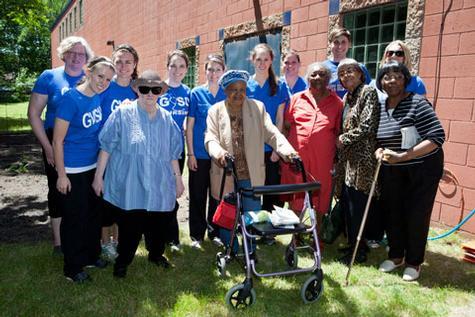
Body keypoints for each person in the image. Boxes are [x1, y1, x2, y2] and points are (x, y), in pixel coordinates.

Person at [92, 70, 184, 278]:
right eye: (144, 89)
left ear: (161, 92)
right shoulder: (123, 114)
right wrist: (99, 177)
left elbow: (172, 154)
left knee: (159, 223)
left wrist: (178, 180)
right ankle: (123, 261)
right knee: (130, 227)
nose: (150, 94)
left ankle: (156, 255)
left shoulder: (167, 119)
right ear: (137, 90)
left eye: (155, 89)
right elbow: (106, 147)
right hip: (131, 182)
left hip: (159, 182)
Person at [205, 70, 297, 256]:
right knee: (227, 214)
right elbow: (210, 138)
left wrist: (288, 151)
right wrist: (220, 154)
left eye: (242, 89)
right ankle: (231, 248)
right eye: (233, 89)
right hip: (226, 172)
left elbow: (272, 133)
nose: (238, 94)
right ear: (225, 91)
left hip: (251, 172)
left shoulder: (257, 107)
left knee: (252, 214)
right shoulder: (215, 111)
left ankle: (250, 250)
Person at [375, 61, 445, 281]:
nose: (392, 80)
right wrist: (378, 151)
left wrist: (403, 156)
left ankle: (414, 262)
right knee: (393, 211)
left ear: (406, 80)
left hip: (421, 170)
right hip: (392, 169)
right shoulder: (382, 106)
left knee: (416, 215)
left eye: (398, 75)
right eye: (387, 77)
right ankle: (396, 256)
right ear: (381, 82)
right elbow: (379, 139)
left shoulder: (417, 103)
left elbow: (437, 137)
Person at [28, 36, 94, 256]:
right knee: (58, 191)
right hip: (54, 141)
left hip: (84, 144)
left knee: (83, 193)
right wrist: (47, 147)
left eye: (81, 54)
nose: (76, 58)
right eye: (72, 53)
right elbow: (34, 114)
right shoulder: (50, 77)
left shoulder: (91, 78)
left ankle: (82, 236)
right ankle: (58, 242)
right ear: (64, 54)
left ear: (87, 58)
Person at [53, 56, 116, 282]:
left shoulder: (97, 97)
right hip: (72, 169)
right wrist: (61, 175)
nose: (103, 82)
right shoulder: (71, 99)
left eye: (108, 79)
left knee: (92, 215)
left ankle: (91, 255)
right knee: (75, 219)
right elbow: (57, 140)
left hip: (93, 166)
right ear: (88, 72)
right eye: (100, 76)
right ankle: (72, 267)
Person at [366, 40, 428, 248]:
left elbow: (423, 120)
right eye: (389, 52)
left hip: (408, 150)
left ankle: (409, 245)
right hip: (384, 148)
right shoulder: (378, 82)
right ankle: (384, 236)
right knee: (385, 196)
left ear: (405, 57)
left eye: (399, 53)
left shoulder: (416, 83)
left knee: (407, 201)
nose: (394, 55)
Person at [281, 62, 343, 225]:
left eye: (322, 74)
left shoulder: (337, 103)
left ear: (329, 79)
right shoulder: (296, 99)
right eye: (313, 74)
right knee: (296, 195)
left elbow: (338, 133)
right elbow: (287, 127)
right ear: (307, 78)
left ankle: (317, 235)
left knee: (321, 197)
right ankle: (294, 234)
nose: (317, 78)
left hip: (323, 160)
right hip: (297, 158)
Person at [334, 58, 380, 265]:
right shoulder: (347, 98)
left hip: (362, 160)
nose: (346, 76)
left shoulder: (367, 92)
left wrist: (344, 138)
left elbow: (368, 125)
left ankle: (359, 252)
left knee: (358, 207)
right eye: (342, 73)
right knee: (348, 204)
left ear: (361, 73)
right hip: (347, 161)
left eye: (350, 71)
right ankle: (353, 245)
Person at [99, 44, 139, 260]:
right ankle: (105, 242)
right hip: (107, 152)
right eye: (119, 61)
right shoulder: (105, 87)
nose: (123, 66)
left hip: (129, 154)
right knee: (107, 199)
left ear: (134, 65)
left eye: (128, 62)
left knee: (124, 198)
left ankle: (119, 240)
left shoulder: (137, 90)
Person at [186, 54, 226, 249]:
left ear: (223, 72)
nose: (213, 73)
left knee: (217, 195)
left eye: (217, 69)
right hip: (200, 154)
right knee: (198, 195)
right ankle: (196, 235)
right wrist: (191, 154)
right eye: (210, 69)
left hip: (219, 155)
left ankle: (215, 231)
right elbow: (190, 126)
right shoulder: (196, 94)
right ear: (205, 71)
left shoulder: (228, 94)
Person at [247, 43, 291, 218]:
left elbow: (280, 118)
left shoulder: (279, 86)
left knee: (271, 187)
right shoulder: (246, 86)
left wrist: (276, 147)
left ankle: (269, 228)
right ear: (253, 60)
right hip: (251, 147)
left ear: (272, 60)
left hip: (270, 148)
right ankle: (251, 224)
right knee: (252, 189)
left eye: (266, 59)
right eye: (258, 59)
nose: (262, 63)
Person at [158, 49, 191, 252]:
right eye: (173, 65)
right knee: (157, 193)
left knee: (171, 194)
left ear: (186, 69)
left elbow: (190, 124)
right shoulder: (157, 88)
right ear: (167, 66)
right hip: (156, 151)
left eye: (181, 66)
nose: (176, 70)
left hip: (177, 151)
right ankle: (155, 235)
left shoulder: (188, 93)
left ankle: (172, 237)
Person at [323, 27, 372, 99]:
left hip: (354, 109)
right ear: (330, 44)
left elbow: (368, 92)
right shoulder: (322, 68)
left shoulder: (359, 68)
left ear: (349, 44)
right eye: (336, 42)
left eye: (343, 42)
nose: (339, 46)